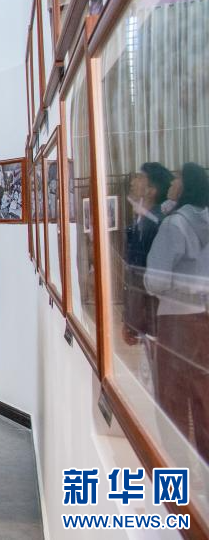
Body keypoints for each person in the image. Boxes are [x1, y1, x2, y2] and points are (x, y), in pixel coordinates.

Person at [144, 162, 209, 461]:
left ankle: (176, 475)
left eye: (178, 178)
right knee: (204, 396)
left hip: (178, 320)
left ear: (186, 186)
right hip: (205, 316)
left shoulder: (174, 225)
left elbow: (156, 280)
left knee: (173, 399)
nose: (172, 182)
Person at [122, 162, 173, 344]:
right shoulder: (143, 219)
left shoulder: (157, 223)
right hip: (145, 317)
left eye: (139, 178)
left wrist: (135, 321)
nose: (133, 182)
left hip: (154, 318)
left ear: (151, 191)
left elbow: (147, 275)